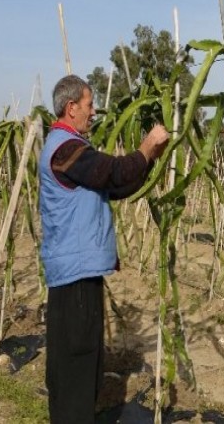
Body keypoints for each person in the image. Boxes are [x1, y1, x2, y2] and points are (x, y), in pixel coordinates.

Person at [38, 74, 169, 423]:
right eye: (89, 104)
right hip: (74, 276)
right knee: (76, 365)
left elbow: (116, 186)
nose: (94, 112)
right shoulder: (65, 149)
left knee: (82, 364)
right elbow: (112, 172)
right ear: (71, 108)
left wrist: (150, 158)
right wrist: (146, 146)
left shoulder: (71, 150)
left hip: (80, 272)